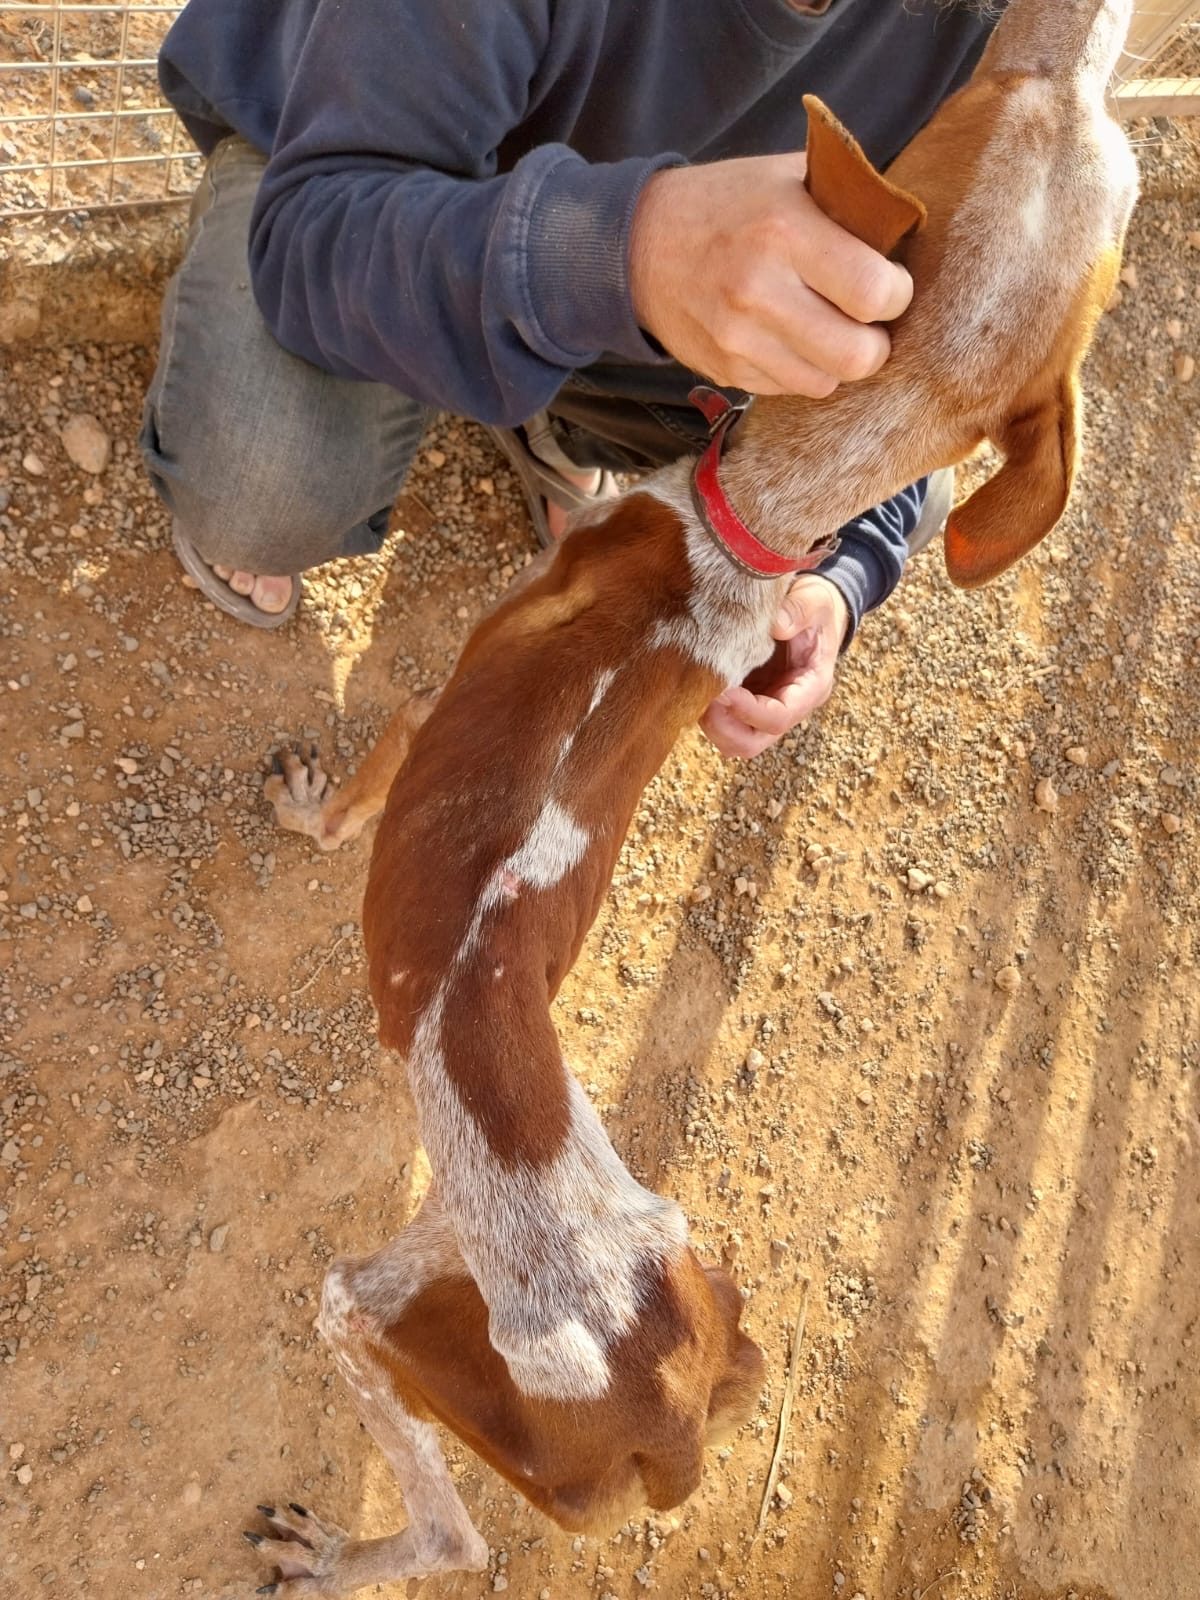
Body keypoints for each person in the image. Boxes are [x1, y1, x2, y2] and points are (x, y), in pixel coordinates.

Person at [141, 0, 999, 757]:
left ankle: (549, 423)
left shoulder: (1001, 37)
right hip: (360, 175)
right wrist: (630, 253)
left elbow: (911, 388)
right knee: (262, 490)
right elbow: (315, 241)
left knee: (910, 498)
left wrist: (837, 581)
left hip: (618, 327)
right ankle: (274, 192)